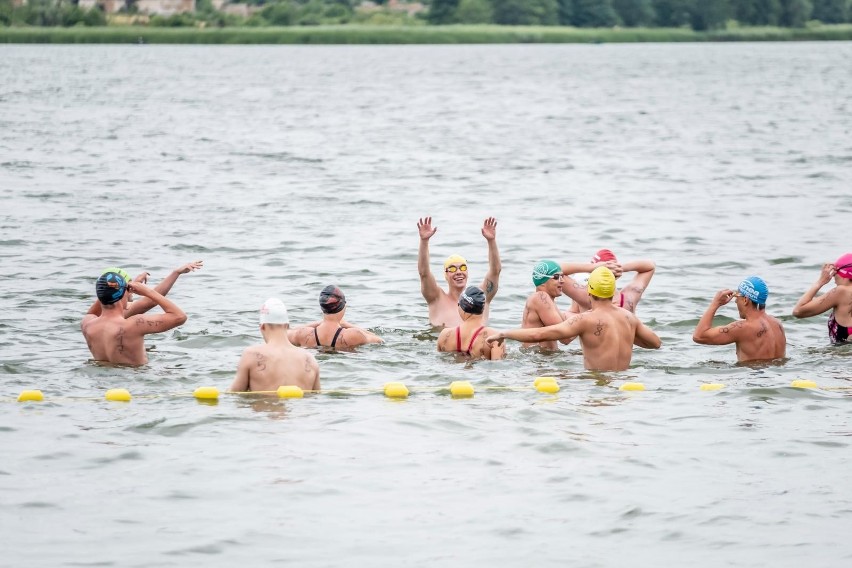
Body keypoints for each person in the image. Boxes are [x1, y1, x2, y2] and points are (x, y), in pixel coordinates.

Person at [486, 267, 661, 371]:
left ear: (589, 291)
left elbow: (540, 334)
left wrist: (504, 333)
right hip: (624, 385)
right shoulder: (629, 318)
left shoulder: (585, 320)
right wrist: (627, 335)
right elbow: (655, 343)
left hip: (596, 386)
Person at [81, 268, 187, 366]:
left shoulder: (87, 324)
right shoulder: (134, 324)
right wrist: (147, 291)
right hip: (135, 380)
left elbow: (95, 309)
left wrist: (118, 288)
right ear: (123, 293)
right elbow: (180, 316)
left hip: (103, 383)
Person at [417, 216, 501, 328]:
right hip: (445, 343)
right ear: (445, 275)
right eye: (452, 269)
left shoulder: (480, 297)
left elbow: (495, 271)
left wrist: (491, 241)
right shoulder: (436, 298)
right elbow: (424, 273)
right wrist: (424, 241)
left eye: (462, 268)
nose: (458, 272)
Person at [231, 298, 320, 393]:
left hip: (265, 407)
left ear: (262, 326)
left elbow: (235, 396)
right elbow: (316, 401)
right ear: (287, 325)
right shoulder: (310, 360)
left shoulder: (250, 355)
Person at [692, 276, 786, 362]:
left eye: (737, 297)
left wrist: (715, 303)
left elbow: (699, 336)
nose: (736, 301)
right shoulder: (777, 324)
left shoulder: (742, 328)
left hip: (752, 378)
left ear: (745, 300)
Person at [85, 260, 203, 319]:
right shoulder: (123, 319)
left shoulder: (90, 321)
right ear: (121, 290)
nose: (131, 289)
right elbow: (149, 302)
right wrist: (176, 273)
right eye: (128, 285)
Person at [519, 260, 588, 351]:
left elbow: (567, 329)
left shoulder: (547, 301)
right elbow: (565, 338)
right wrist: (589, 316)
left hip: (541, 358)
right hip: (538, 361)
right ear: (542, 281)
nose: (562, 281)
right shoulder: (540, 298)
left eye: (562, 276)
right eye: (556, 277)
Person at [288, 285, 383, 350]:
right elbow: (380, 340)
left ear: (322, 308)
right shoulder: (354, 335)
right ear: (343, 307)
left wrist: (320, 323)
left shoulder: (303, 334)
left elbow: (283, 333)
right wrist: (346, 324)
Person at [561, 249, 655, 314]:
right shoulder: (629, 297)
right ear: (616, 275)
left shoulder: (586, 298)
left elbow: (554, 271)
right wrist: (621, 267)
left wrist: (591, 268)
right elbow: (650, 266)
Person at [792, 253, 852, 344]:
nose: (833, 276)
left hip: (844, 356)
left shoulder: (841, 292)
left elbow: (798, 311)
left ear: (846, 274)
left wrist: (820, 282)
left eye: (835, 271)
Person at [437, 287, 505, 360]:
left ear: (461, 306)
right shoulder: (494, 337)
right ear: (483, 308)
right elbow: (498, 368)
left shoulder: (444, 335)